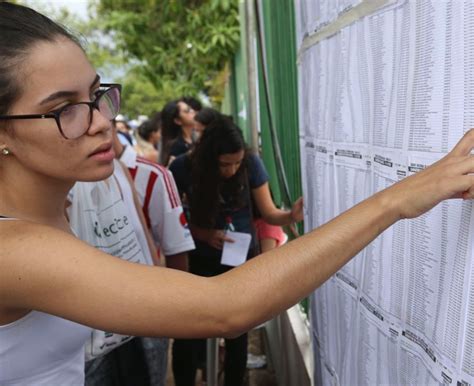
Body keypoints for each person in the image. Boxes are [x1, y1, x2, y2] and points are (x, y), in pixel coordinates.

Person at [2, 3, 474, 385]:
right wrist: (398, 198)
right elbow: (224, 308)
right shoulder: (18, 250)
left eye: (96, 93)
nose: (102, 120)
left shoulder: (53, 213)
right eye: (64, 109)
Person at [168, 118, 303, 386]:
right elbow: (170, 220)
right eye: (224, 164)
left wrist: (290, 215)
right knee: (188, 331)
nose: (231, 170)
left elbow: (269, 213)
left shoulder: (252, 163)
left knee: (237, 333)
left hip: (241, 262)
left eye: (236, 163)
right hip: (198, 262)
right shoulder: (183, 167)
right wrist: (204, 233)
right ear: (209, 158)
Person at [160, 98, 197, 166]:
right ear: (178, 121)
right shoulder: (177, 146)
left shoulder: (194, 139)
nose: (193, 111)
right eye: (187, 111)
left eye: (191, 109)